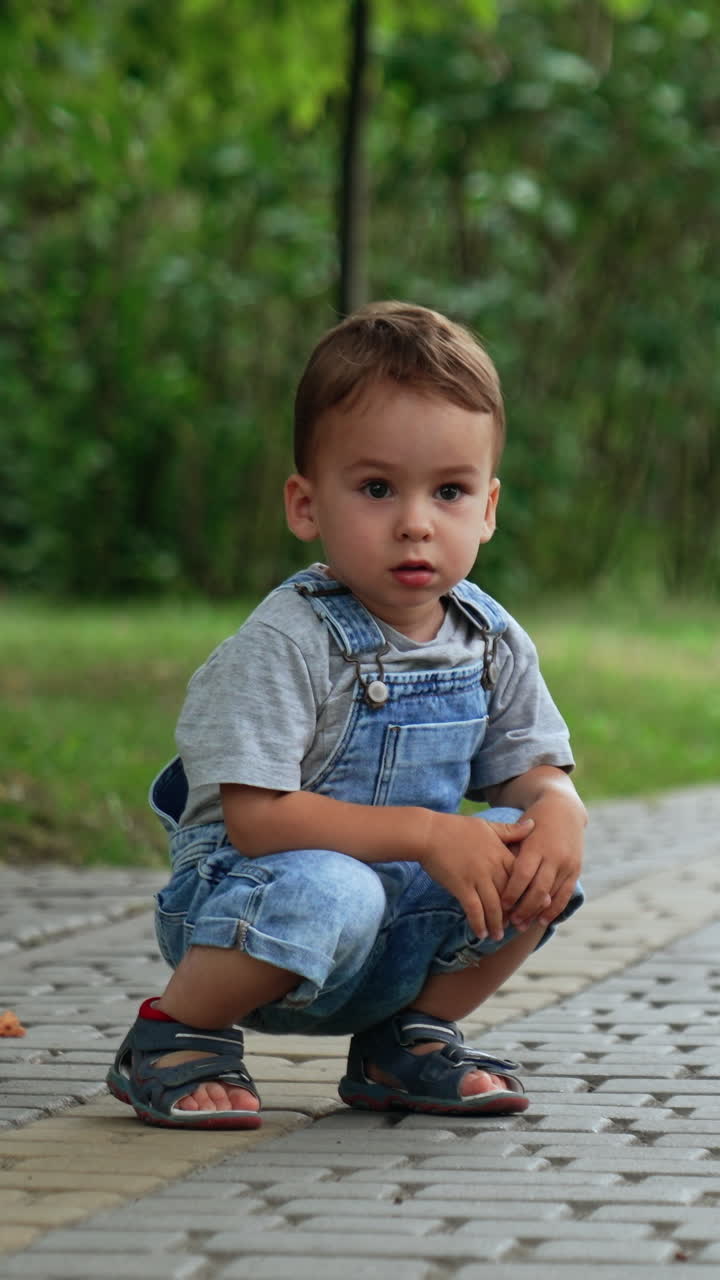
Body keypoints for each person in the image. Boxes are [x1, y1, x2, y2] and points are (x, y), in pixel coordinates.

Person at [107, 300, 586, 1129]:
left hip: (392, 930)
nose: (414, 522)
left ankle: (408, 1040)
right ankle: (174, 1035)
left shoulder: (489, 635)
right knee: (338, 887)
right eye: (376, 488)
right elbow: (256, 821)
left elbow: (530, 767)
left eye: (450, 491)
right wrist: (431, 834)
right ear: (305, 504)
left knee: (533, 856)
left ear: (490, 509)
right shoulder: (288, 641)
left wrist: (560, 808)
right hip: (252, 914)